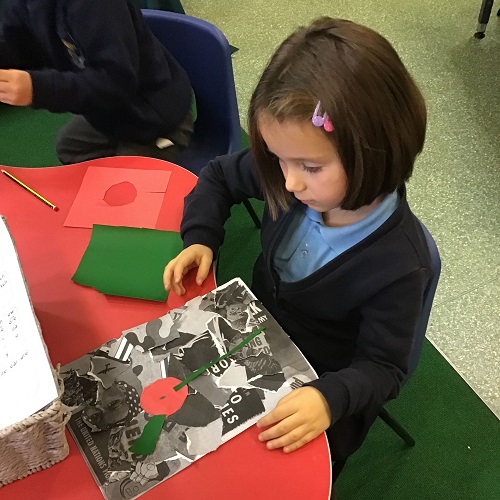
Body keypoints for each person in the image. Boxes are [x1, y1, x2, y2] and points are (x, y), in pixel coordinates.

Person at [163, 16, 431, 483]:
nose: (286, 181)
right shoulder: (291, 180)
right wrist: (202, 236)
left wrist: (329, 400)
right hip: (251, 334)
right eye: (276, 158)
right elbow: (220, 175)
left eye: (309, 165)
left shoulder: (401, 265)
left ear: (376, 150)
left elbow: (384, 367)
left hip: (322, 385)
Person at [0, 0, 193, 164]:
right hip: (111, 113)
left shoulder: (98, 6)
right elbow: (17, 45)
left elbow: (117, 81)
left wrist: (37, 89)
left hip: (156, 120)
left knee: (126, 194)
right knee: (69, 147)